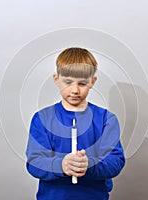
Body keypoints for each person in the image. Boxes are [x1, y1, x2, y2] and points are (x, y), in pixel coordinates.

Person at [26, 47, 125, 200]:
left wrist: (89, 165)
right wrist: (61, 165)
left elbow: (115, 162)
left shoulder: (106, 119)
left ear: (93, 81)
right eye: (68, 82)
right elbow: (34, 163)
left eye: (82, 83)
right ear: (56, 79)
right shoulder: (42, 118)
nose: (75, 90)